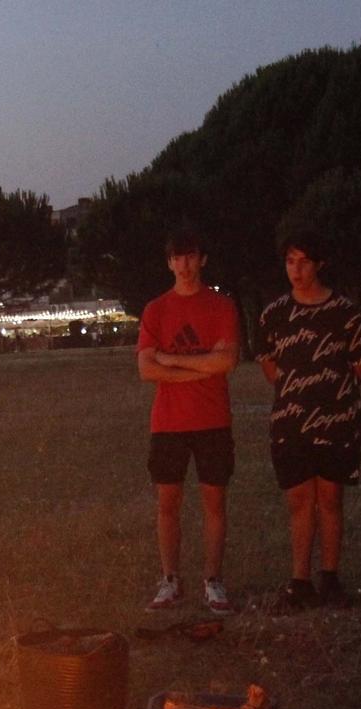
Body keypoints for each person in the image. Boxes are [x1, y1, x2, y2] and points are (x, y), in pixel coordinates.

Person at [256, 229, 361, 612]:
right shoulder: (274, 315)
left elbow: (359, 367)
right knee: (299, 501)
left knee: (331, 498)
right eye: (290, 261)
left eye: (304, 261)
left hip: (337, 421)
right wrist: (299, 393)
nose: (297, 269)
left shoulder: (346, 313)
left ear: (320, 264)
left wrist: (328, 393)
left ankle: (331, 579)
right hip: (291, 423)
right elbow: (270, 367)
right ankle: (300, 581)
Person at [136, 227, 240, 614]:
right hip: (169, 423)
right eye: (177, 258)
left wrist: (171, 360)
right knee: (168, 502)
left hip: (212, 419)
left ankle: (213, 580)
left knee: (214, 501)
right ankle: (170, 579)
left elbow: (226, 361)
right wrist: (201, 367)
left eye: (191, 257)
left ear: (203, 260)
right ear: (169, 263)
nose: (185, 265)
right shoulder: (156, 310)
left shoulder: (221, 307)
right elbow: (146, 368)